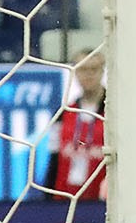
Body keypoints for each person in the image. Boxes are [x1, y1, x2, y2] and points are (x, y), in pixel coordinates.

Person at [44, 49, 107, 200]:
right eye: (83, 69)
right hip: (65, 199)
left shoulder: (115, 114)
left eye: (94, 69)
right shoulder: (63, 114)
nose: (88, 75)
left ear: (102, 71)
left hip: (101, 203)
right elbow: (54, 159)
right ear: (75, 72)